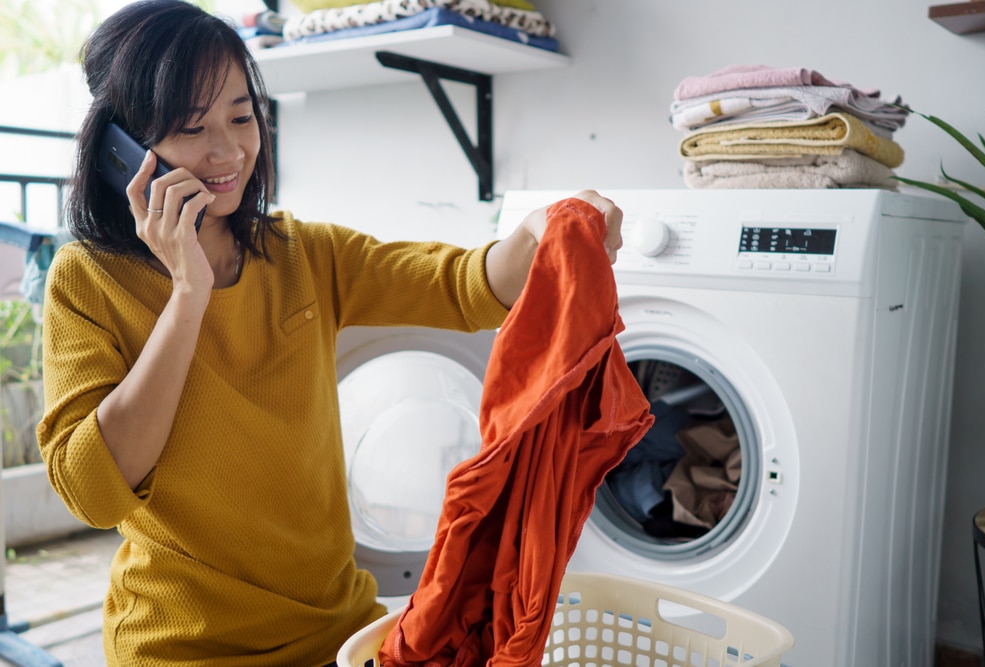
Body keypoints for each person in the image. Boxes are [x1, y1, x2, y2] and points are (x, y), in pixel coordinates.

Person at [37, 1, 623, 664]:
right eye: (191, 127)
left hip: (336, 630)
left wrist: (551, 230)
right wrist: (188, 295)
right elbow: (91, 490)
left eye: (240, 114)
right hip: (183, 646)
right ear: (125, 151)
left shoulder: (302, 251)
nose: (229, 150)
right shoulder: (85, 279)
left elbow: (464, 284)